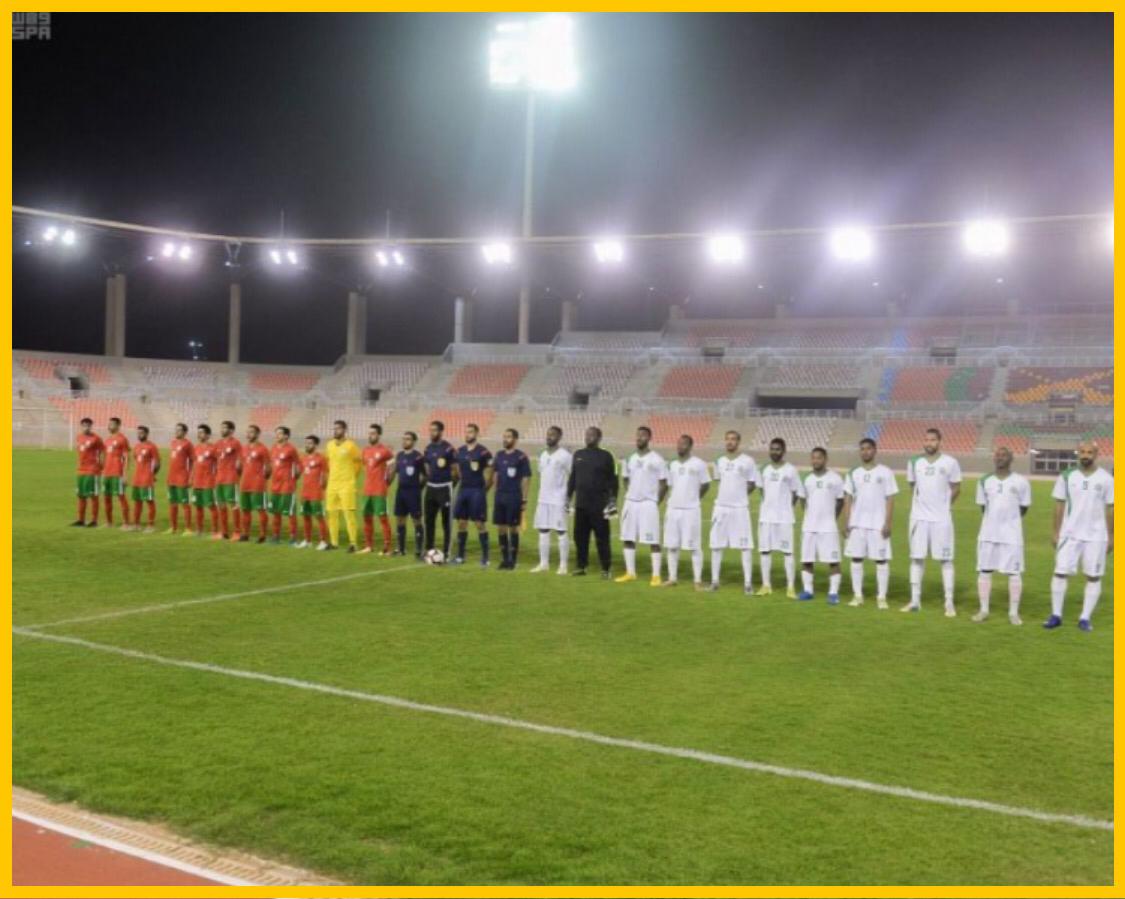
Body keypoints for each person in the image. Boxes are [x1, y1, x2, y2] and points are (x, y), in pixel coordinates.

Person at [1046, 441, 1114, 632]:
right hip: (1070, 534)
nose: (1085, 455)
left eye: (1089, 452)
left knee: (1093, 576)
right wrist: (1055, 531)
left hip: (1096, 536)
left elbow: (1112, 508)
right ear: (1078, 454)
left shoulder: (1107, 479)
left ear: (1096, 454)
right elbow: (1059, 505)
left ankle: (1084, 618)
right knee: (1060, 572)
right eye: (1082, 452)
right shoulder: (1067, 476)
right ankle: (1056, 615)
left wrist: (1112, 535)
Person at [903, 427, 962, 616]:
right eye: (926, 439)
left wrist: (944, 505)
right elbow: (913, 486)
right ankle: (914, 601)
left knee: (946, 559)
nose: (929, 443)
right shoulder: (914, 462)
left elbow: (956, 487)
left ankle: (949, 602)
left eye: (933, 440)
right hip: (919, 519)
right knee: (916, 558)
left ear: (939, 442)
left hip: (942, 519)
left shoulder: (950, 462)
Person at [973, 445, 1031, 625]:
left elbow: (1024, 507)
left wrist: (1009, 522)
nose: (1000, 457)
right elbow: (983, 507)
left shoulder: (1021, 482)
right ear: (993, 458)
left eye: (1004, 454)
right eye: (997, 454)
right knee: (984, 571)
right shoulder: (984, 481)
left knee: (1014, 573)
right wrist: (995, 522)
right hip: (988, 534)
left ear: (1011, 458)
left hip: (1011, 536)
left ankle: (1013, 613)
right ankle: (983, 610)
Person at [842, 438, 898, 609]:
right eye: (862, 449)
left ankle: (881, 597)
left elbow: (890, 498)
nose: (865, 451)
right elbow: (848, 498)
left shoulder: (885, 472)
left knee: (881, 561)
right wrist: (846, 522)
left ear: (875, 450)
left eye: (868, 448)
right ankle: (857, 596)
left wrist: (887, 522)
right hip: (857, 524)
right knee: (856, 559)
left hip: (878, 524)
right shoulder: (853, 473)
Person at [616, 426, 668, 586]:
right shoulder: (629, 458)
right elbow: (625, 478)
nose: (639, 438)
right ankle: (630, 573)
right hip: (631, 503)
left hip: (648, 504)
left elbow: (664, 483)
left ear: (649, 438)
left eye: (643, 436)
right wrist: (630, 492)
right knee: (628, 537)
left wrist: (655, 501)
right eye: (637, 435)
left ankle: (656, 575)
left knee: (653, 541)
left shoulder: (657, 459)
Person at [708, 429, 758, 593]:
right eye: (727, 439)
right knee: (716, 544)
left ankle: (748, 584)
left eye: (733, 439)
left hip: (739, 509)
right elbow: (719, 481)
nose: (730, 442)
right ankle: (715, 581)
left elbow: (752, 483)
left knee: (745, 546)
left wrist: (741, 496)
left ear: (739, 442)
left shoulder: (748, 461)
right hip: (721, 508)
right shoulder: (719, 461)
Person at [756, 437, 805, 598]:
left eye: (777, 449)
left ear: (783, 451)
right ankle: (766, 585)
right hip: (766, 518)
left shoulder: (790, 469)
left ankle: (790, 587)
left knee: (788, 552)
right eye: (772, 449)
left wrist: (786, 507)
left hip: (784, 518)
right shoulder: (764, 469)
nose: (774, 452)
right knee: (765, 551)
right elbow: (762, 490)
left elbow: (796, 492)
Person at [661, 434, 711, 590]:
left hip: (691, 510)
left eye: (683, 444)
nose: (679, 447)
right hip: (673, 509)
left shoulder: (699, 464)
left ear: (690, 446)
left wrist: (695, 498)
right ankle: (672, 578)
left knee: (694, 546)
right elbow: (670, 485)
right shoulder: (672, 464)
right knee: (672, 545)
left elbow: (706, 484)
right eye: (678, 444)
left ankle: (697, 581)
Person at [566, 426, 617, 578]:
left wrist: (612, 499)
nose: (588, 437)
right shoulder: (578, 454)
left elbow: (613, 480)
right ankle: (581, 566)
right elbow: (573, 478)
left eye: (592, 435)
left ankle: (606, 568)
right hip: (581, 504)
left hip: (599, 506)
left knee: (602, 538)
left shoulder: (606, 456)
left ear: (599, 438)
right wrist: (568, 497)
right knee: (580, 537)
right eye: (587, 434)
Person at [797, 447, 845, 604]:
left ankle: (833, 593)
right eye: (813, 458)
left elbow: (840, 500)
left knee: (833, 560)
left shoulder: (835, 478)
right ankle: (808, 590)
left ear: (825, 459)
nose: (815, 461)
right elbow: (803, 500)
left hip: (828, 527)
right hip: (809, 526)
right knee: (807, 559)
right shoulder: (807, 479)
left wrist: (832, 517)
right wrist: (810, 516)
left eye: (819, 458)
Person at [530, 425, 573, 575]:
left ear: (559, 437)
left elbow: (572, 475)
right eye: (548, 434)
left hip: (558, 499)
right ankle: (544, 564)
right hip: (543, 498)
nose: (549, 437)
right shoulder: (542, 454)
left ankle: (563, 565)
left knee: (561, 531)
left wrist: (568, 497)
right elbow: (540, 473)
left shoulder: (565, 455)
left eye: (553, 435)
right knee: (543, 529)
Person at [451, 423, 493, 566]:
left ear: (476, 434)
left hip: (476, 490)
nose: (467, 434)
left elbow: (489, 476)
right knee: (461, 523)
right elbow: (456, 472)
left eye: (470, 432)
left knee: (479, 523)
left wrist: (482, 492)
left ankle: (485, 558)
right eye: (466, 432)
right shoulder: (459, 451)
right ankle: (460, 557)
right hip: (463, 490)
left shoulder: (483, 452)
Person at [493, 428, 532, 570]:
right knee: (501, 528)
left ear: (515, 439)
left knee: (513, 528)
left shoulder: (521, 457)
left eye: (508, 437)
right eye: (504, 436)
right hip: (500, 496)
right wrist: (496, 492)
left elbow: (526, 478)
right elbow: (496, 474)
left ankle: (513, 561)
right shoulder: (499, 455)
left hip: (514, 496)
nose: (505, 439)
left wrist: (524, 499)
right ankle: (504, 559)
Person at [324, 420, 362, 552]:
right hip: (332, 484)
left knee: (349, 514)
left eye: (338, 429)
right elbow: (329, 462)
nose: (335, 431)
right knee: (332, 514)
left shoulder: (351, 446)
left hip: (347, 485)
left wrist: (351, 477)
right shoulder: (329, 445)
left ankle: (353, 543)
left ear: (345, 430)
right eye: (334, 429)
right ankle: (334, 543)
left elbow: (358, 463)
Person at [423, 420, 456, 557]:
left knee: (445, 522)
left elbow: (455, 471)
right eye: (430, 430)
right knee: (429, 521)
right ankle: (429, 551)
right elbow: (427, 468)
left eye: (434, 430)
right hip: (430, 488)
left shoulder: (448, 449)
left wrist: (449, 486)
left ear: (441, 432)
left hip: (444, 488)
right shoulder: (428, 448)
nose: (431, 433)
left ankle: (447, 552)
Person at [391, 430, 426, 558]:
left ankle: (418, 549)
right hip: (401, 492)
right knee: (400, 519)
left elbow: (426, 475)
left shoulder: (418, 457)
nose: (405, 441)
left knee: (416, 520)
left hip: (413, 492)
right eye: (404, 438)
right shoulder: (399, 455)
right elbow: (394, 472)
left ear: (414, 442)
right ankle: (401, 549)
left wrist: (419, 488)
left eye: (408, 439)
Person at [360, 423, 394, 555]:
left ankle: (387, 548)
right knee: (366, 517)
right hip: (367, 490)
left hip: (379, 490)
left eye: (373, 433)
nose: (371, 435)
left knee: (383, 518)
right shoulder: (365, 451)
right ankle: (368, 546)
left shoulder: (385, 451)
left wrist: (387, 483)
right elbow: (367, 467)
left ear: (379, 435)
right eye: (369, 433)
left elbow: (393, 466)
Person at [297, 435, 331, 550]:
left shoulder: (321, 458)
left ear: (316, 445)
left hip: (316, 493)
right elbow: (300, 473)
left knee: (319, 517)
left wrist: (322, 490)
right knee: (306, 516)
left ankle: (323, 542)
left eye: (310, 443)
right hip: (305, 492)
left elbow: (325, 476)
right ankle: (307, 540)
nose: (307, 445)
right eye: (306, 443)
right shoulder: (303, 458)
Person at [267, 426, 301, 544]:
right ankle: (276, 536)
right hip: (275, 486)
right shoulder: (273, 448)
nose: (277, 436)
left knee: (290, 513)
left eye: (280, 434)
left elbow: (298, 466)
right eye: (276, 433)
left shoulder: (291, 449)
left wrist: (292, 479)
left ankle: (293, 537)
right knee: (276, 512)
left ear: (286, 436)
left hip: (287, 486)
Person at [238, 424, 271, 543]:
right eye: (248, 432)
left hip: (258, 485)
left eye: (251, 432)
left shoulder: (263, 449)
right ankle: (245, 534)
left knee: (261, 510)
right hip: (245, 484)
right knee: (245, 510)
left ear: (257, 434)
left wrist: (261, 480)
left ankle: (263, 535)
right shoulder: (244, 448)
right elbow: (240, 466)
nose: (248, 434)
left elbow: (268, 468)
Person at [189, 424, 220, 539]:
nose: (199, 434)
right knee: (198, 506)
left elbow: (218, 464)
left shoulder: (213, 448)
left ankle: (214, 531)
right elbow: (194, 465)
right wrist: (191, 478)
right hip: (197, 482)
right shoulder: (196, 448)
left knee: (211, 506)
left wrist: (216, 478)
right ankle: (199, 530)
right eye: (198, 432)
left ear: (208, 435)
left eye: (201, 432)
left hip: (208, 482)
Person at [72, 417, 104, 528]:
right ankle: (81, 520)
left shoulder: (97, 439)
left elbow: (103, 453)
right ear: (81, 426)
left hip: (92, 470)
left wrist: (100, 467)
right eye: (84, 425)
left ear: (91, 426)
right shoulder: (79, 437)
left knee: (93, 495)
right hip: (81, 470)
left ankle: (94, 520)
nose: (86, 427)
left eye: (88, 425)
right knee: (81, 495)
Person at [129, 425, 160, 533]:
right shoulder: (136, 446)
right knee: (137, 502)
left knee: (149, 501)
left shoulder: (152, 447)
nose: (139, 435)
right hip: (136, 478)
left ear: (147, 434)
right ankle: (136, 524)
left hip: (146, 479)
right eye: (138, 433)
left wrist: (152, 475)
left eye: (141, 433)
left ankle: (151, 525)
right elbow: (136, 460)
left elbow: (157, 464)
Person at [215, 420, 242, 540]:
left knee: (234, 505)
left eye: (224, 428)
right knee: (221, 505)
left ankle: (237, 532)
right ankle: (224, 532)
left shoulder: (236, 443)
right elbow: (216, 461)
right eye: (221, 428)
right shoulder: (218, 443)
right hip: (219, 478)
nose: (222, 430)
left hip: (230, 478)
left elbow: (240, 461)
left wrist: (237, 475)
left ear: (231, 430)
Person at [102, 416, 131, 529]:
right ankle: (109, 522)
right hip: (107, 473)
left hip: (117, 473)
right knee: (106, 497)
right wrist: (103, 471)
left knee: (121, 497)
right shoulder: (107, 440)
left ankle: (126, 523)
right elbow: (105, 457)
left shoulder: (122, 439)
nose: (109, 426)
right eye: (109, 424)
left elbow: (126, 457)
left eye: (112, 424)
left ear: (118, 426)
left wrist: (124, 474)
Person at [164, 422, 193, 535]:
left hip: (182, 478)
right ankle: (173, 527)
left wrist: (190, 477)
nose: (177, 432)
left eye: (179, 430)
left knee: (185, 504)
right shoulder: (173, 442)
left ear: (185, 432)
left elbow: (192, 461)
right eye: (176, 430)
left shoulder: (188, 444)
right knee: (173, 503)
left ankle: (188, 529)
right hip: (171, 478)